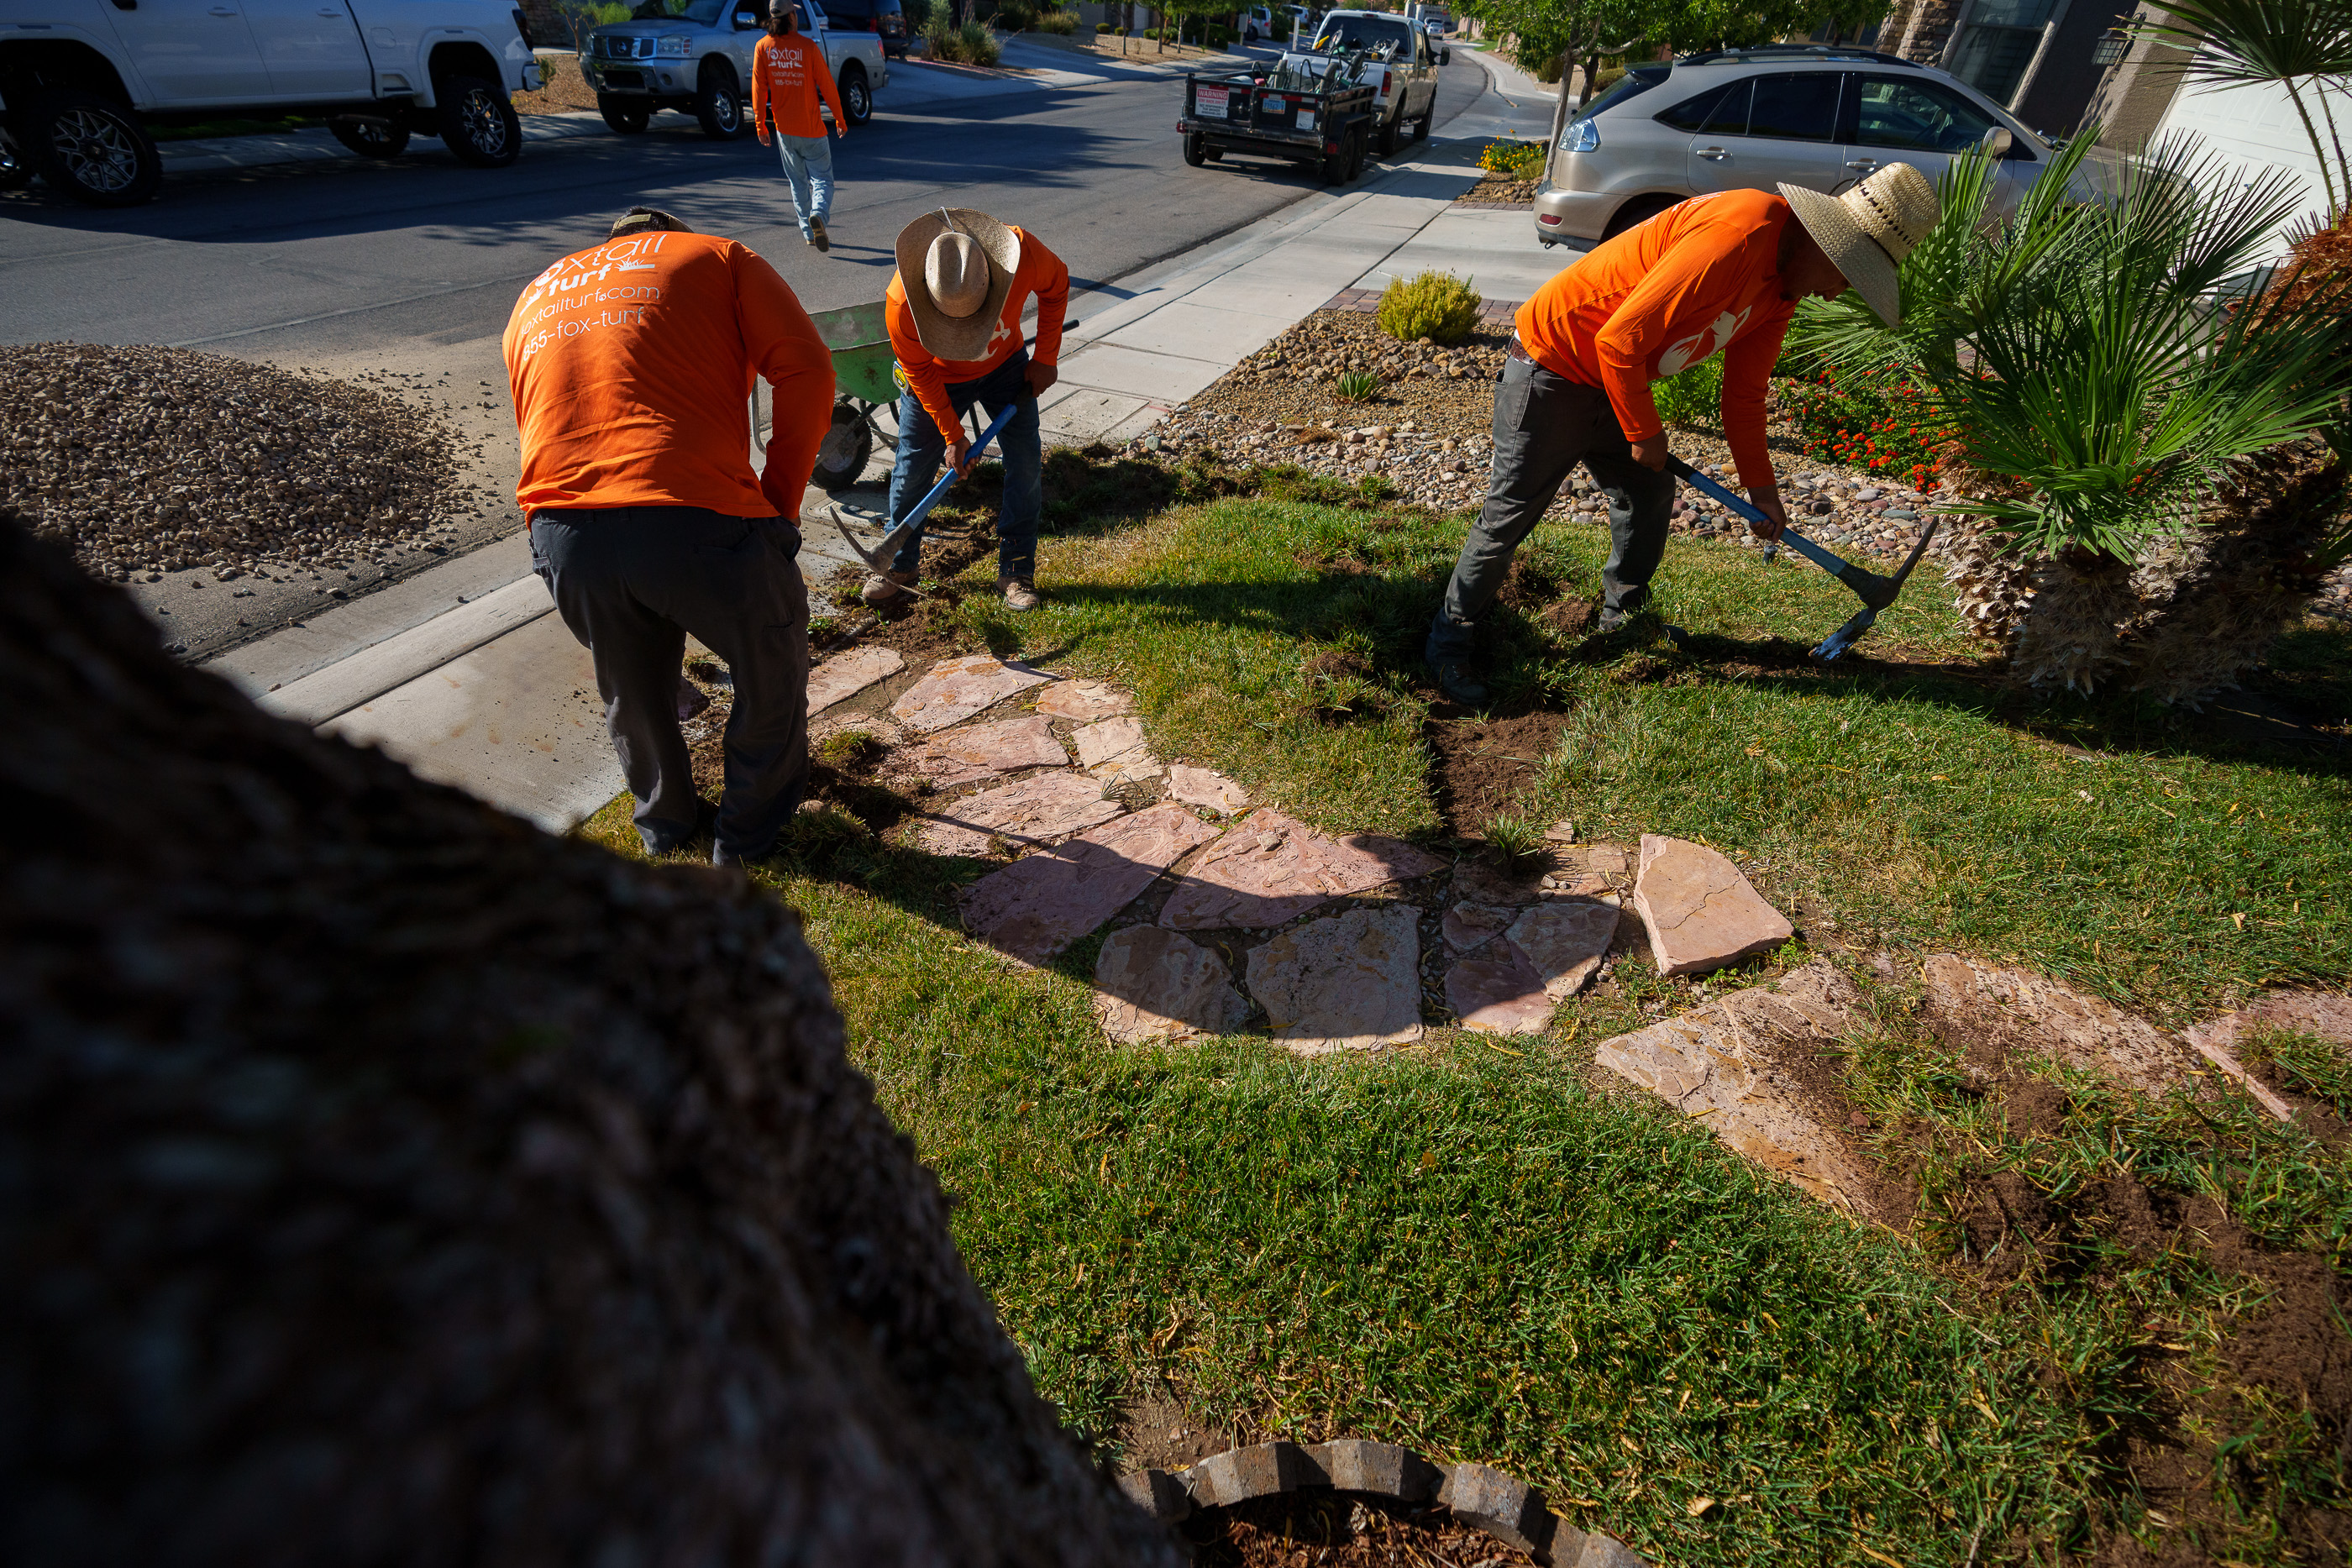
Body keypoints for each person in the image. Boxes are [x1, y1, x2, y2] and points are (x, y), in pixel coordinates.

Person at [1424, 163, 1942, 703]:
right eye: (1845, 276)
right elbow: (1619, 341)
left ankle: (1621, 621)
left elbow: (1742, 399)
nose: (1836, 295)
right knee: (1512, 512)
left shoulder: (1782, 291)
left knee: (1647, 493)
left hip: (1611, 380)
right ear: (1826, 244)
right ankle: (1450, 645)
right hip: (1555, 366)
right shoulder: (1739, 234)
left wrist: (1763, 493)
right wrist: (1645, 432)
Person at [503, 206, 835, 867]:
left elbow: (538, 419)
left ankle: (667, 828)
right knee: (770, 657)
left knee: (632, 686)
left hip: (563, 530)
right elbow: (808, 370)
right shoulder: (715, 256)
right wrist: (779, 505)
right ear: (669, 239)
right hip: (689, 510)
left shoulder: (536, 293)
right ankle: (745, 839)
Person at [867, 207, 1068, 613]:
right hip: (937, 380)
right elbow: (919, 373)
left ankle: (1016, 568)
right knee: (911, 468)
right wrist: (953, 435)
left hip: (1005, 366)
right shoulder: (901, 307)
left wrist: (1045, 356)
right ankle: (899, 566)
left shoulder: (1022, 253)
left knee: (1026, 461)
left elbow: (1057, 283)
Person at [752, 0, 847, 253]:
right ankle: (818, 215)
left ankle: (808, 231)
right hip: (812, 129)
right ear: (791, 17)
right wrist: (840, 118)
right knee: (823, 179)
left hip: (784, 131)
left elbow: (759, 88)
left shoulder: (763, 48)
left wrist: (761, 125)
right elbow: (827, 85)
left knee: (798, 182)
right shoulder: (808, 48)